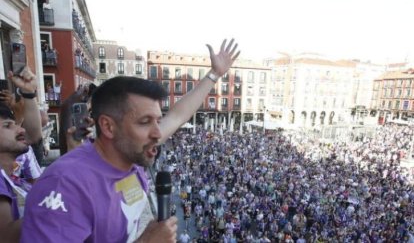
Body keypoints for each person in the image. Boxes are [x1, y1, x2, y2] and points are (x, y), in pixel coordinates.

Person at [21, 39, 240, 242]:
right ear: (108, 126)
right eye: (145, 122)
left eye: (157, 121)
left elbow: (177, 116)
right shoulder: (65, 185)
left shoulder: (129, 152)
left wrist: (214, 74)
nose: (157, 133)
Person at [0, 67, 42, 242]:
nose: (20, 128)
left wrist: (29, 93)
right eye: (8, 125)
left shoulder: (10, 178)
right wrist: (53, 203)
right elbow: (6, 237)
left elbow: (32, 136)